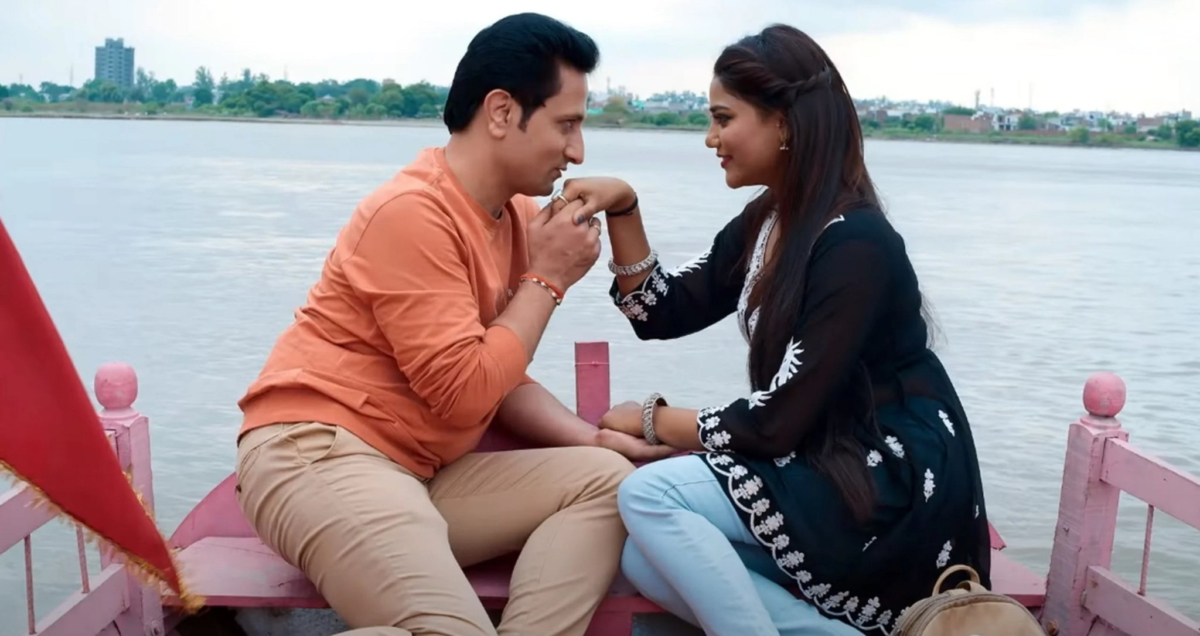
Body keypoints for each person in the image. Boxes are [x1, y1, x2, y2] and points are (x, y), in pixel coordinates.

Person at [233, 13, 672, 636]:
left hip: (419, 473)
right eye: (566, 124)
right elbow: (465, 390)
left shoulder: (513, 216)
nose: (578, 151)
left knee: (607, 481)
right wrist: (547, 279)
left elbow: (497, 375)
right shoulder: (411, 213)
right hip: (319, 455)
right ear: (501, 112)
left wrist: (590, 438)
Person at [559, 24, 991, 636]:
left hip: (889, 478)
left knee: (650, 497)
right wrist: (625, 208)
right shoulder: (771, 220)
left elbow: (776, 421)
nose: (710, 138)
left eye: (723, 118)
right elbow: (661, 312)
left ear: (783, 124)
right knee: (644, 558)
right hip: (821, 459)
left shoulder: (857, 244)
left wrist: (654, 420)